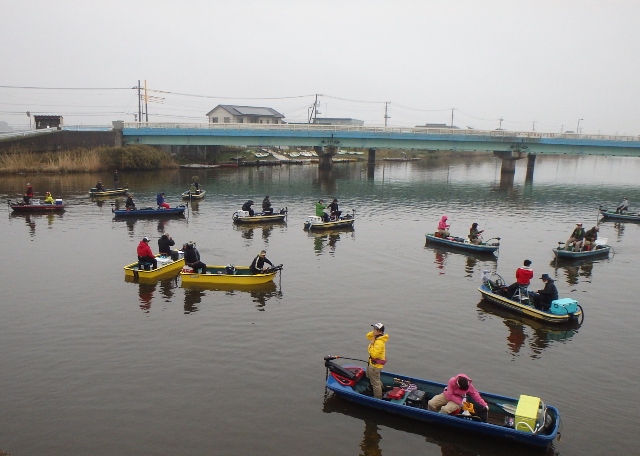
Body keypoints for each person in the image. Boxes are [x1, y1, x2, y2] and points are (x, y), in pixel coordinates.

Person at [366, 323, 389, 399]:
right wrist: (374, 335)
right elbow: (368, 336)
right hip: (373, 364)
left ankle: (378, 398)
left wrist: (371, 345)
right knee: (374, 378)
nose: (373, 331)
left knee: (375, 383)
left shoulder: (379, 342)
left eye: (375, 329)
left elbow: (374, 355)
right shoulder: (377, 337)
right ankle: (382, 389)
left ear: (379, 331)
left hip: (375, 366)